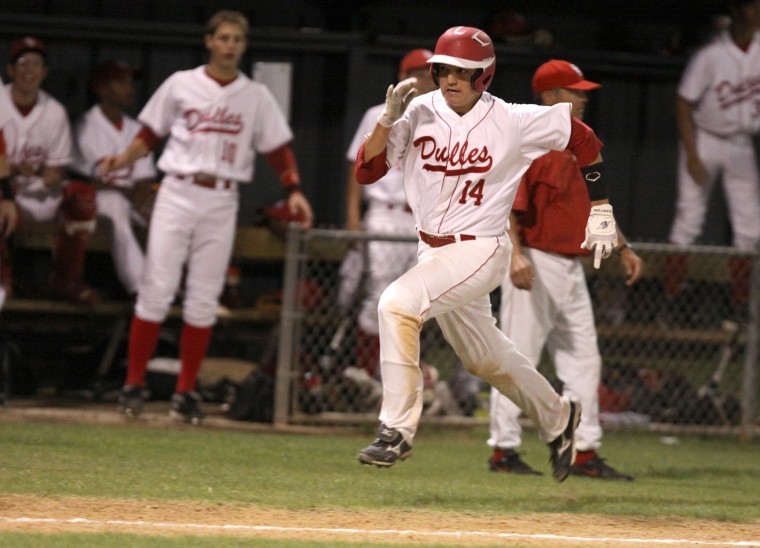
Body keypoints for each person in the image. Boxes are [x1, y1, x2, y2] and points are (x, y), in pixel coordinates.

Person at [353, 26, 619, 482]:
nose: (451, 79)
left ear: (485, 76)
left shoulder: (513, 119)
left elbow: (585, 140)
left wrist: (601, 205)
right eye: (444, 70)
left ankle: (396, 428)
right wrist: (385, 122)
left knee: (397, 304)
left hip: (479, 248)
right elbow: (367, 171)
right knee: (484, 359)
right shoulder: (420, 110)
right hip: (431, 250)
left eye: (463, 71)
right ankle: (559, 418)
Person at [99, 10, 314, 424]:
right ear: (209, 41)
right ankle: (133, 384)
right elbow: (150, 133)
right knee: (156, 288)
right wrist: (123, 159)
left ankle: (185, 391)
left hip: (221, 197)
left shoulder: (254, 95)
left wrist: (294, 190)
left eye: (237, 39)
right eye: (224, 37)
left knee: (203, 297)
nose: (231, 45)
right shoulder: (182, 83)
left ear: (243, 46)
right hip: (177, 191)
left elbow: (277, 149)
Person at [487, 59, 643, 481]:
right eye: (574, 90)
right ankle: (503, 449)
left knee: (584, 361)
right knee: (517, 358)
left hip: (571, 267)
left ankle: (585, 452)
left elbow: (596, 207)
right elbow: (506, 209)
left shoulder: (583, 143)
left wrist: (624, 246)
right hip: (533, 261)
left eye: (582, 90)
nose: (583, 96)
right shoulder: (529, 144)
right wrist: (515, 257)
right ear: (551, 97)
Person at [663, 0, 760, 325]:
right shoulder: (711, 55)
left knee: (750, 226)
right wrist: (691, 153)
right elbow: (683, 101)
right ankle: (672, 301)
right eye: (752, 6)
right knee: (689, 219)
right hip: (705, 138)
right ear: (737, 11)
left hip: (741, 142)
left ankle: (740, 305)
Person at [343, 48, 436, 378]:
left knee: (416, 302)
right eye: (419, 72)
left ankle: (399, 371)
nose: (426, 78)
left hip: (422, 218)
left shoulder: (440, 115)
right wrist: (354, 215)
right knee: (379, 295)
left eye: (430, 72)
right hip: (385, 212)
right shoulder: (377, 114)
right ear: (403, 75)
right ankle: (369, 373)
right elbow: (356, 167)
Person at [2, 36, 100, 305]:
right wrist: (13, 169)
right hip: (4, 192)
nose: (29, 70)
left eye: (36, 63)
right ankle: (2, 281)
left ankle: (65, 279)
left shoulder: (54, 111)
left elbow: (56, 169)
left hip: (37, 193)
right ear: (11, 70)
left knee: (82, 199)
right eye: (22, 63)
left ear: (44, 73)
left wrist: (50, 174)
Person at [72, 60, 159, 297]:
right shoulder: (86, 126)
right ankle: (141, 289)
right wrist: (131, 195)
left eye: (130, 82)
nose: (129, 88)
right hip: (97, 204)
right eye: (121, 82)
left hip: (131, 200)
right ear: (101, 88)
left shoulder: (136, 128)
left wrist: (144, 201)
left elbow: (143, 179)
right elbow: (86, 180)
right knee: (113, 201)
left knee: (168, 212)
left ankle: (176, 286)